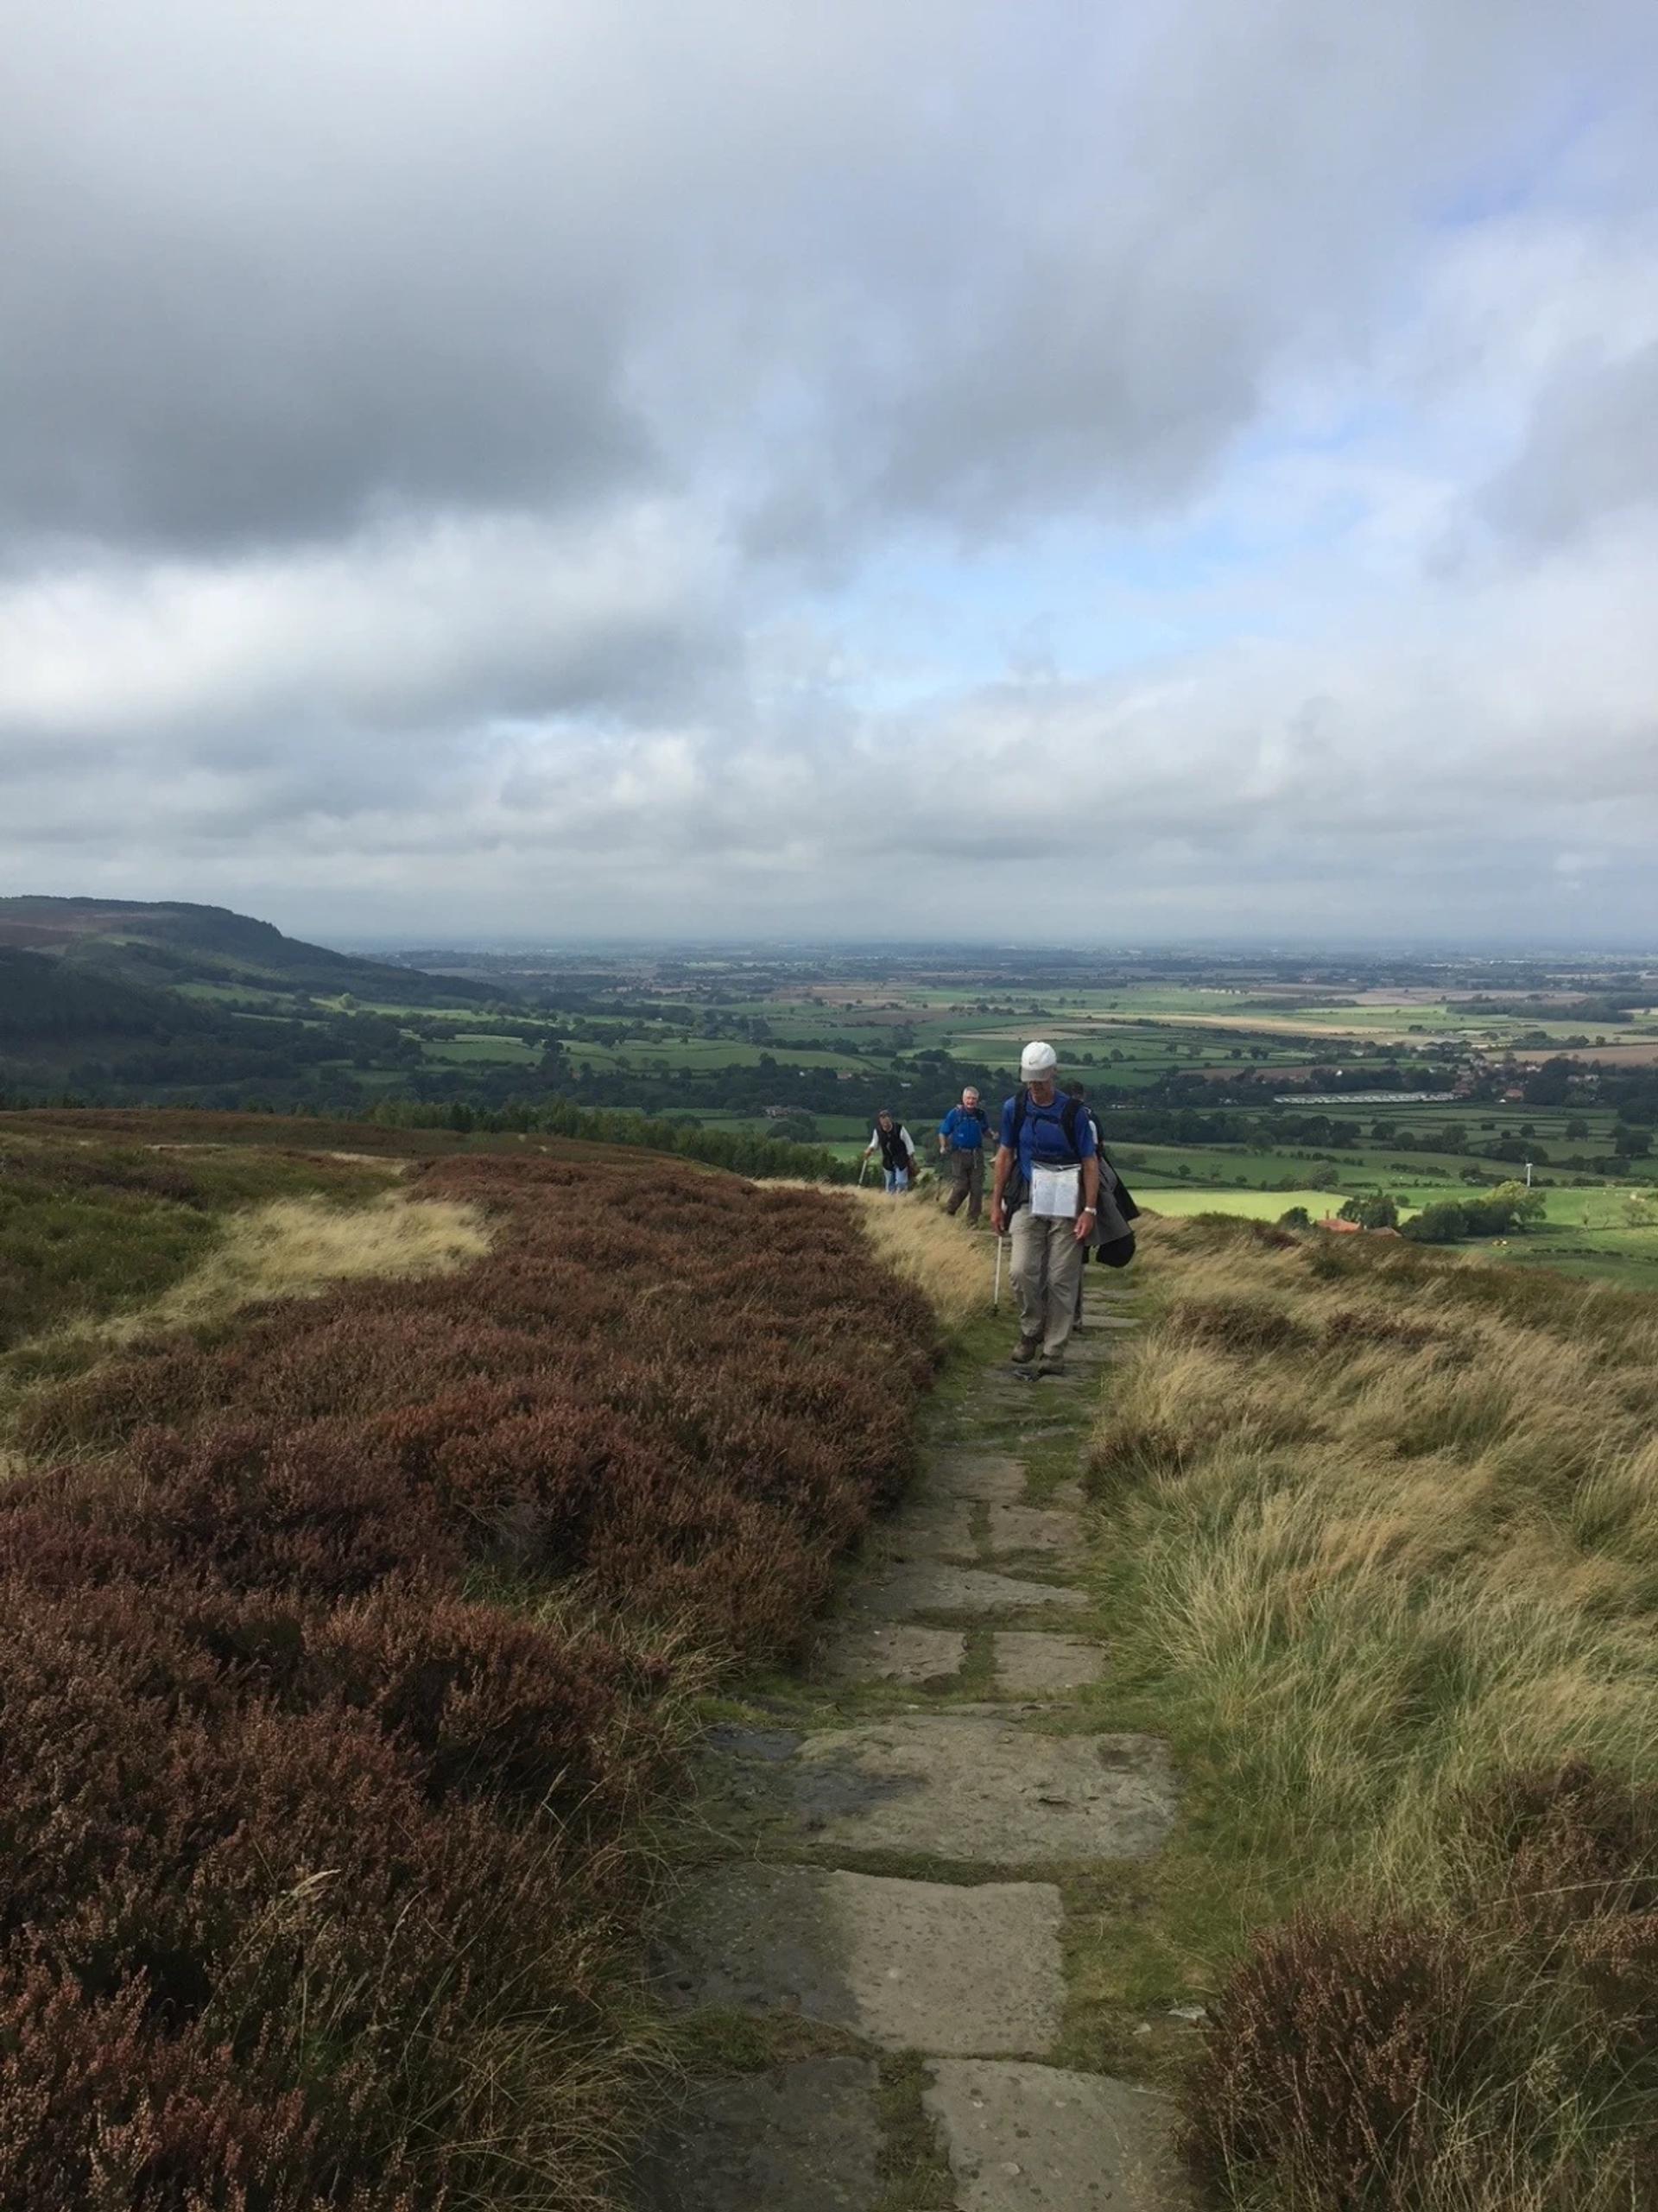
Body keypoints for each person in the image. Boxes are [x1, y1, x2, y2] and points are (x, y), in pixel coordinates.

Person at [990, 1042, 1098, 1373]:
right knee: (1021, 1270)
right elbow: (1005, 1154)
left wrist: (1089, 1210)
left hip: (1068, 1199)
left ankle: (1053, 1352)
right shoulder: (1015, 1107)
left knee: (1061, 1278)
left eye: (1041, 1080)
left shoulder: (1074, 1114)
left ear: (1054, 1074)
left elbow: (1089, 1161)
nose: (1035, 1088)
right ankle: (1031, 1330)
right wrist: (996, 1202)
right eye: (1030, 1081)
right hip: (1027, 1195)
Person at [936, 1086, 989, 1224]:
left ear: (977, 1100)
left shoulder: (981, 1114)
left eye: (974, 1099)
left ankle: (972, 1221)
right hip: (959, 1153)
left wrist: (994, 1136)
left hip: (977, 1154)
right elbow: (943, 1131)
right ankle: (949, 1210)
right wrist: (943, 1146)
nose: (971, 1101)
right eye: (969, 1098)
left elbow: (985, 1130)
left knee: (977, 1189)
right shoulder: (955, 1114)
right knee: (962, 1186)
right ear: (963, 1099)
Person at [863, 1108, 917, 1193]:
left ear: (890, 1119)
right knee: (890, 1185)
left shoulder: (899, 1128)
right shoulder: (877, 1131)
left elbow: (908, 1142)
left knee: (901, 1182)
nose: (886, 1125)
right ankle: (890, 1202)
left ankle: (902, 1201)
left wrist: (911, 1156)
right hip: (887, 1160)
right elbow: (874, 1143)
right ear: (880, 1121)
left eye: (887, 1123)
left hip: (901, 1158)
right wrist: (869, 1150)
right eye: (884, 1123)